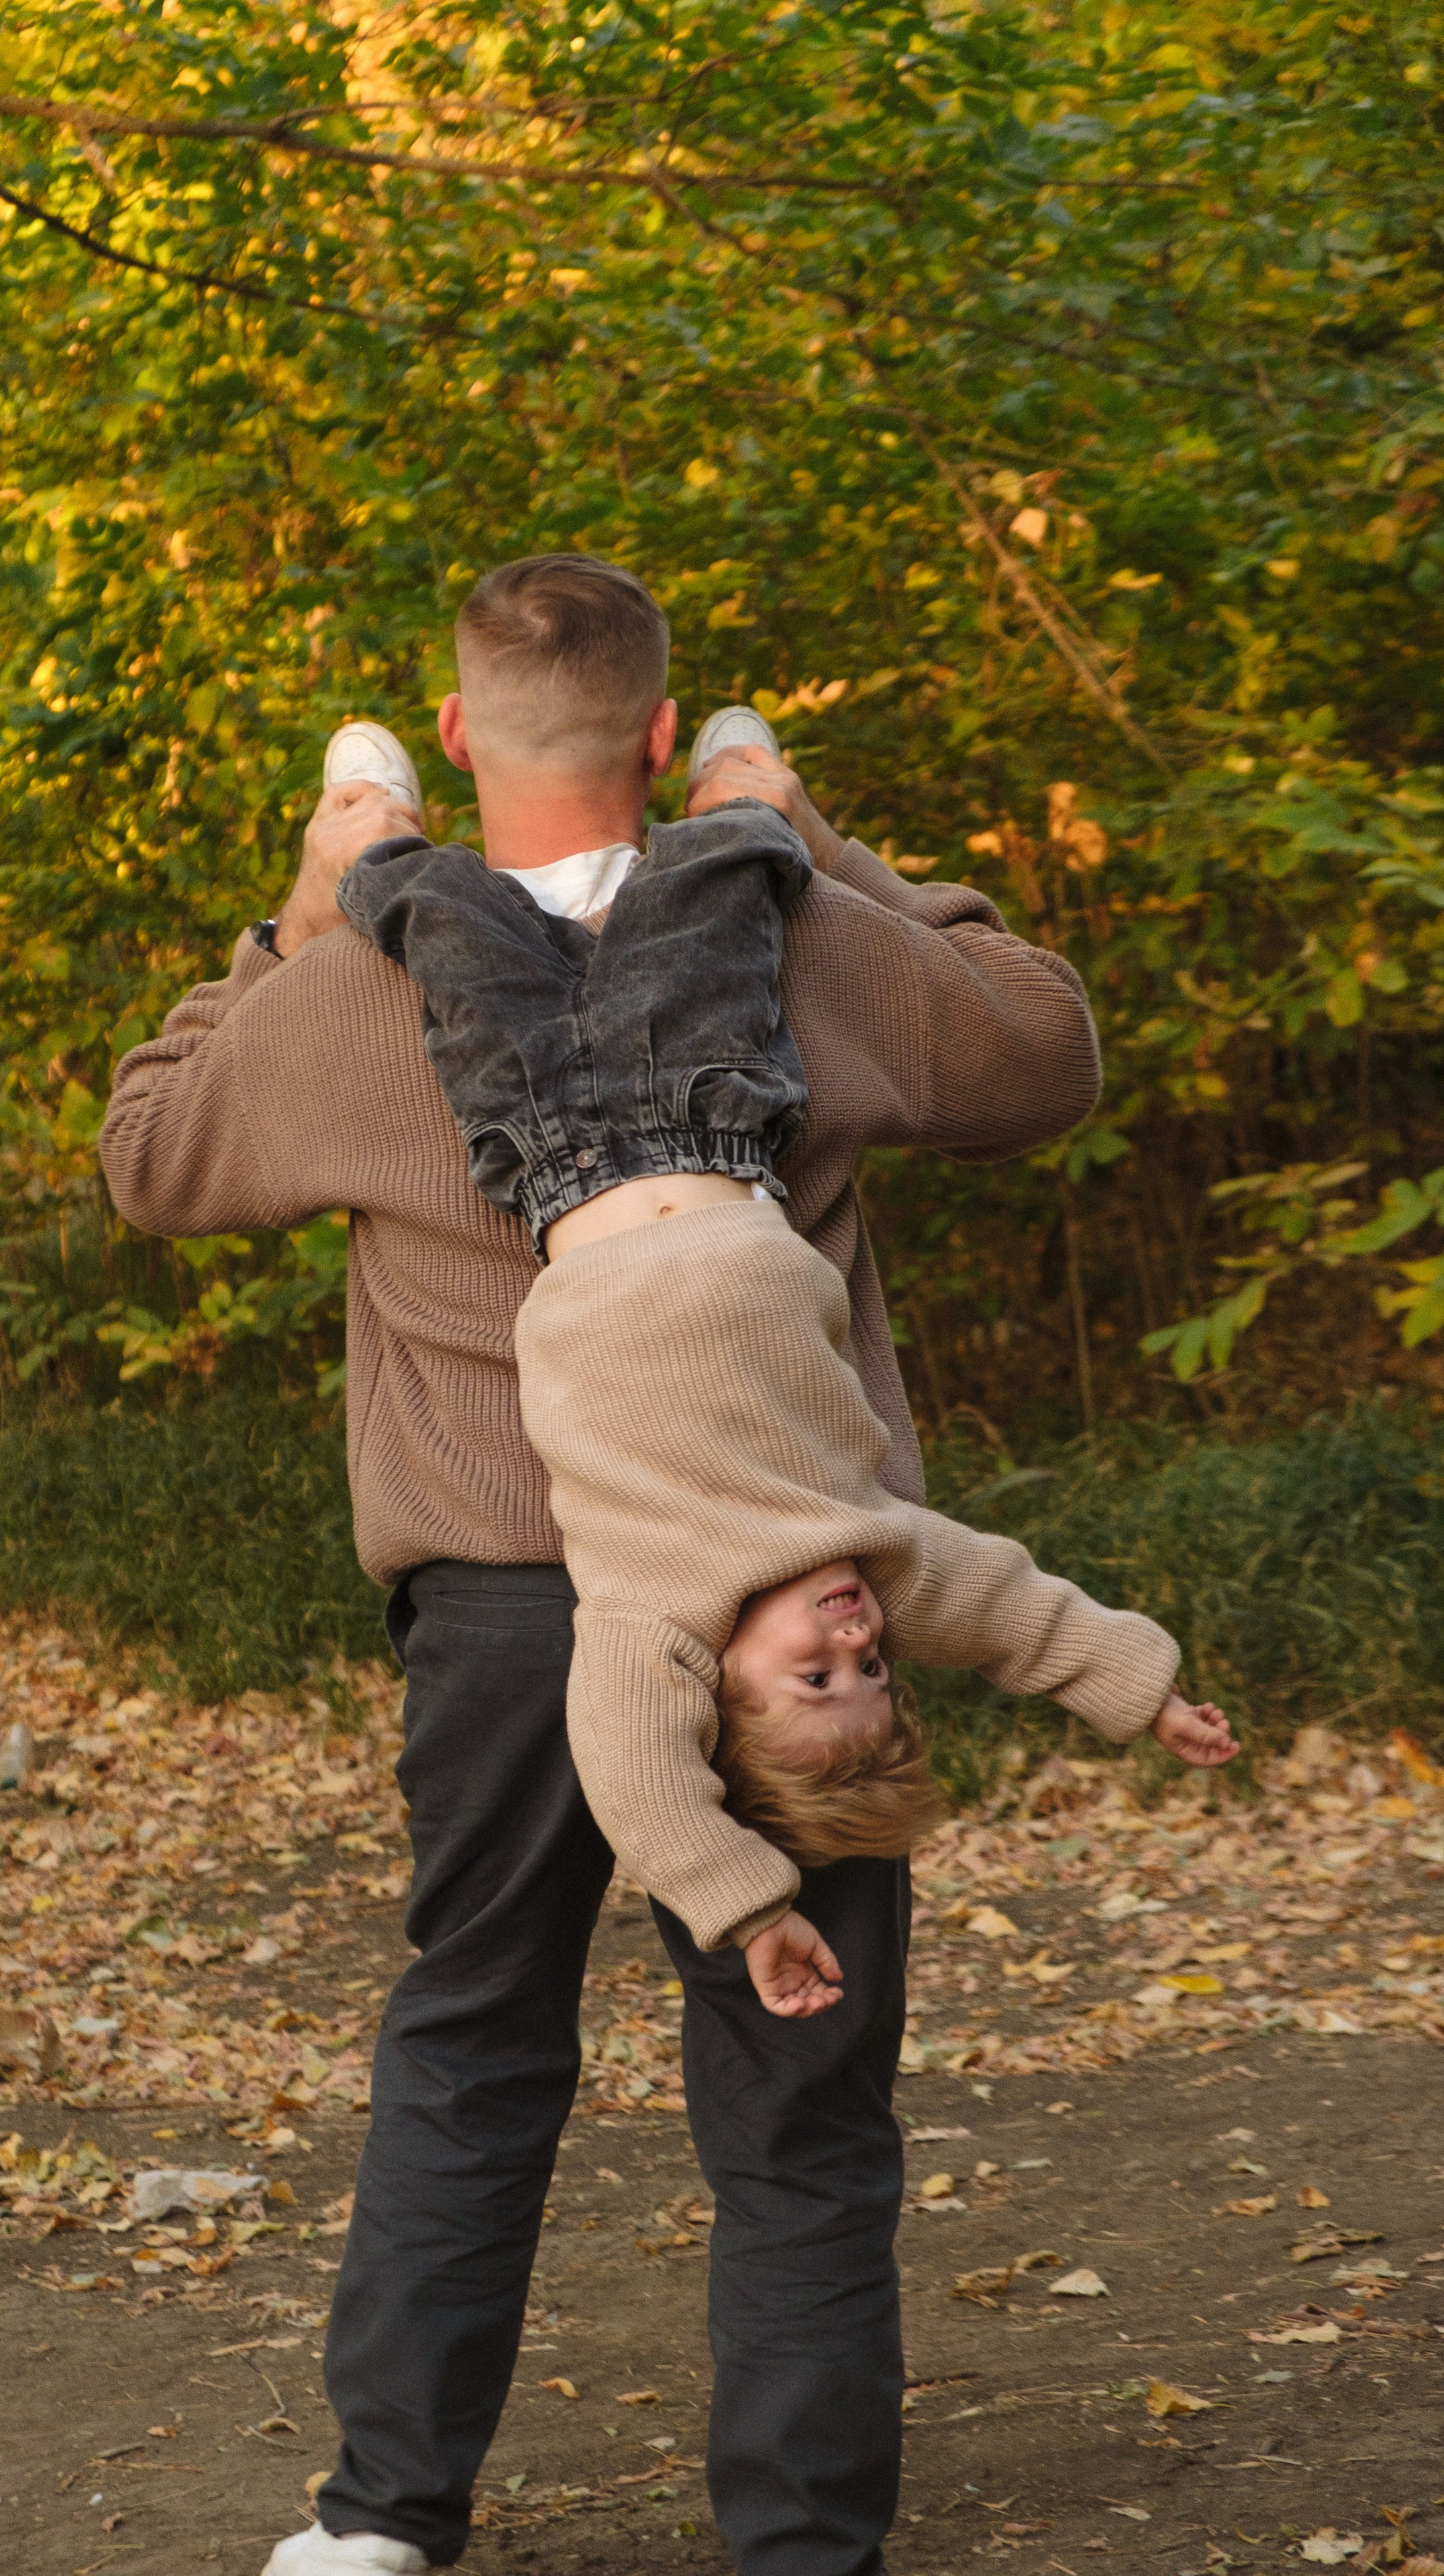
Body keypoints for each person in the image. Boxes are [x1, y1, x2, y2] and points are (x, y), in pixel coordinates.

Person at [98, 553, 1125, 2576]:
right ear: (667, 740)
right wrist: (805, 833)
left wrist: (299, 914)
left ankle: (385, 2519)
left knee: (477, 2036)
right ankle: (800, 2553)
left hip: (499, 1593)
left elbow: (151, 1155)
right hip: (780, 1598)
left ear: (460, 740)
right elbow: (1044, 1047)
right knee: (805, 2104)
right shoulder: (793, 938)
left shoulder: (353, 988)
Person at [332, 746, 1237, 2021]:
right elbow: (1027, 1619)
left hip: (549, 1153)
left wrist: (747, 1907)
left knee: (445, 919)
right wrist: (1144, 1697)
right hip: (717, 1121)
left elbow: (638, 1782)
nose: (858, 1645)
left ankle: (366, 823)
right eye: (874, 1675)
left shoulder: (653, 1622)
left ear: (721, 1690)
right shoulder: (880, 1555)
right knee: (722, 888)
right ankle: (738, 785)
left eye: (818, 1679)